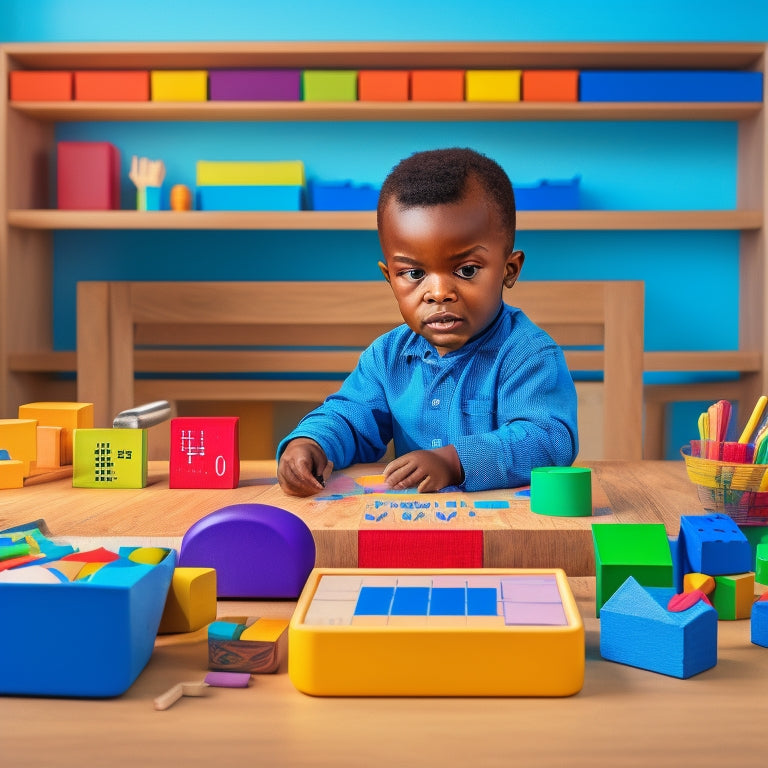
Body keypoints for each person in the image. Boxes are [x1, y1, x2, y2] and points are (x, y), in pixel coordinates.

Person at [277, 147, 578, 496]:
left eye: (466, 270)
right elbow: (349, 417)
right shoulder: (387, 357)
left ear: (508, 270)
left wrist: (455, 462)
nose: (438, 293)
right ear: (390, 277)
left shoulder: (528, 354)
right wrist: (310, 443)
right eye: (414, 273)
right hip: (418, 525)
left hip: (505, 531)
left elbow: (548, 440)